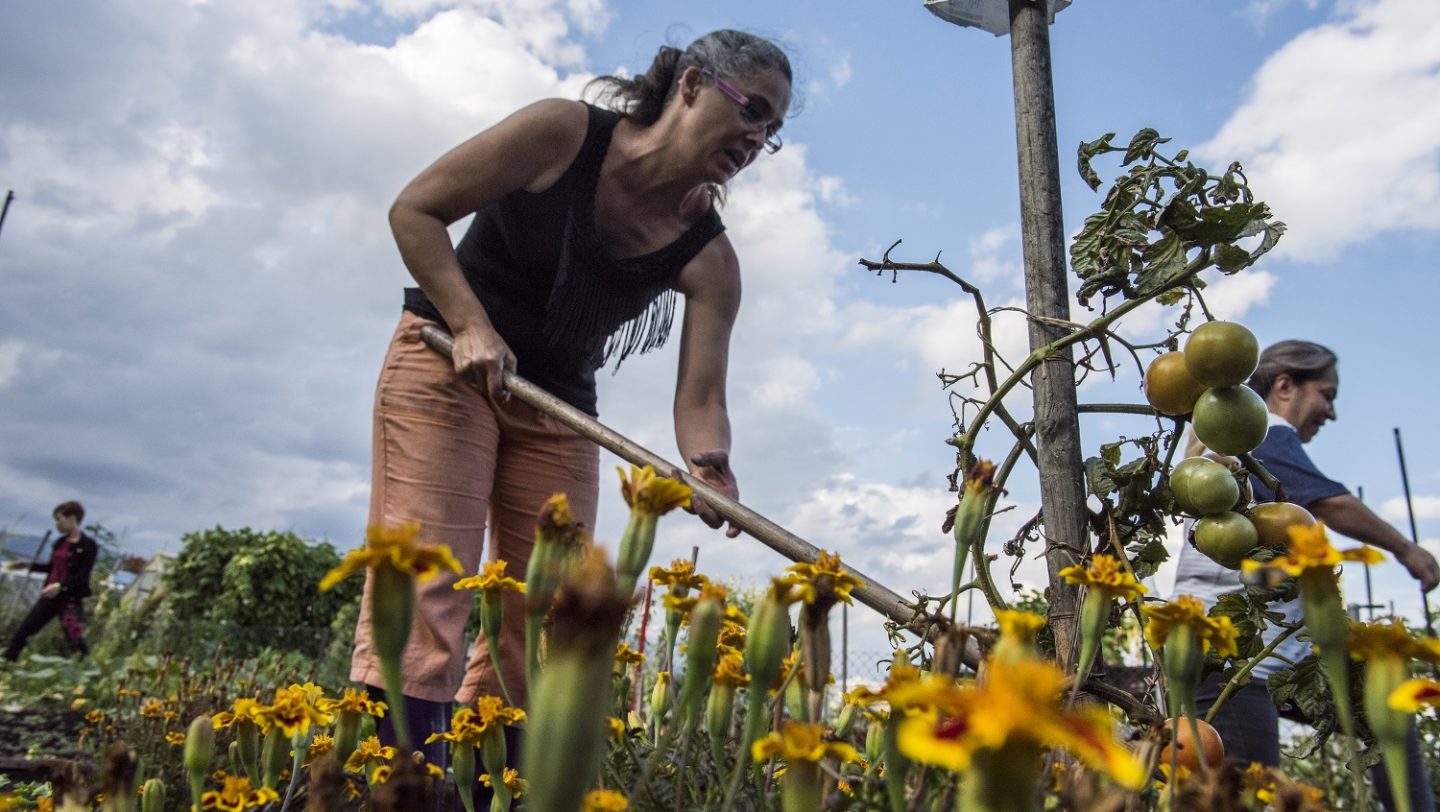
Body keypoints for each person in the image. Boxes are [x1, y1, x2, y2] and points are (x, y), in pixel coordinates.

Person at [347, 29, 793, 761]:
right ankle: (396, 783)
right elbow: (416, 210)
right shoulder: (562, 133)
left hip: (558, 410)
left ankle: (491, 786)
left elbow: (702, 396)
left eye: (771, 130)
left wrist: (709, 464)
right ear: (689, 85)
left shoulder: (710, 258)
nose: (757, 138)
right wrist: (469, 324)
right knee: (429, 581)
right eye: (753, 110)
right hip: (445, 367)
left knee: (544, 612)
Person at [1171, 340, 1439, 810]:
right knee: (1242, 790)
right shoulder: (1259, 435)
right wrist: (1406, 549)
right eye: (1327, 394)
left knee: (1383, 708)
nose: (1331, 413)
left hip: (1267, 651)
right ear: (1284, 385)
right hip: (1230, 652)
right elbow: (1331, 502)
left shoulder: (1236, 444)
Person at [5, 501, 98, 661]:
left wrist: (60, 586)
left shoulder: (88, 545)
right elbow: (52, 568)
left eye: (59, 519)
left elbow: (82, 576)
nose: (57, 523)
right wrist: (28, 565)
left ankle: (86, 672)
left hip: (69, 599)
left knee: (75, 640)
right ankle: (7, 664)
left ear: (72, 518)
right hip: (49, 596)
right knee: (23, 632)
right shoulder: (60, 543)